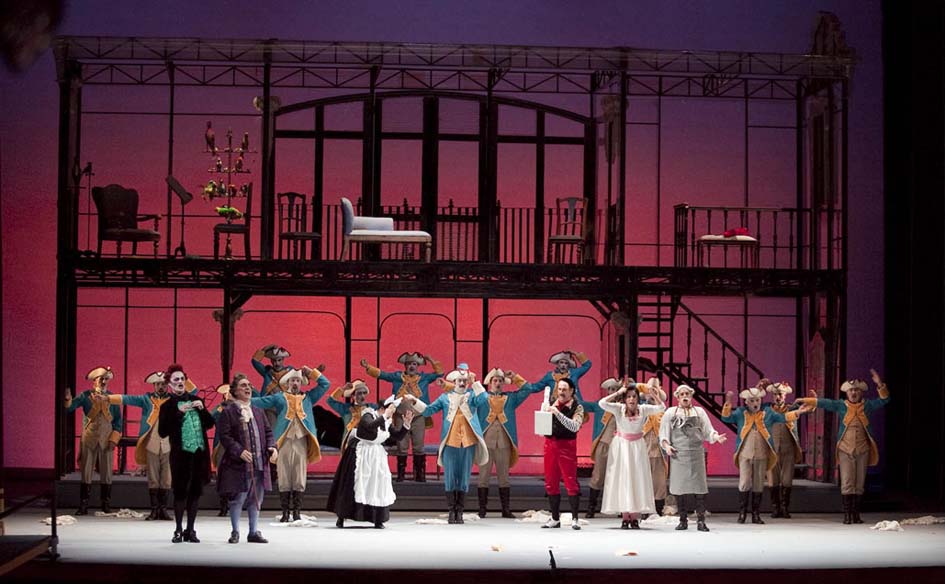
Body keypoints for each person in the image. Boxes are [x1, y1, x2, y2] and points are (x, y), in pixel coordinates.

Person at [796, 369, 891, 524]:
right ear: (846, 393)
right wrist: (807, 400)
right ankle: (847, 515)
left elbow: (884, 400)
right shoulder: (842, 405)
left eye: (856, 390)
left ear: (861, 393)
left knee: (859, 483)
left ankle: (856, 514)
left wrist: (879, 383)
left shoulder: (867, 406)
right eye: (851, 390)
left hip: (863, 449)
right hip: (845, 449)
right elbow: (825, 403)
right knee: (847, 481)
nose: (853, 393)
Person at [405, 368, 489, 524]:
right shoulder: (445, 398)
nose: (462, 383)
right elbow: (428, 410)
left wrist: (475, 383)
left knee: (464, 477)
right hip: (450, 442)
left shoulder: (472, 396)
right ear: (454, 382)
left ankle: (460, 511)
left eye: (465, 381)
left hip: (468, 442)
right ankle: (451, 510)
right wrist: (415, 401)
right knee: (450, 477)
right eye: (460, 381)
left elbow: (484, 398)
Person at [721, 385, 811, 524]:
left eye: (757, 400)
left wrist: (799, 411)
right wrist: (728, 402)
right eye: (752, 400)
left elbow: (783, 417)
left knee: (758, 484)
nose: (755, 403)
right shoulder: (740, 413)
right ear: (746, 402)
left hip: (762, 453)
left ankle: (756, 514)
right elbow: (726, 418)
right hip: (745, 453)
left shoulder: (767, 413)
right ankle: (742, 513)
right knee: (744, 482)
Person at [104, 371, 186, 521]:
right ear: (154, 386)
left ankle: (163, 510)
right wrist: (108, 398)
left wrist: (180, 377)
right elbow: (128, 399)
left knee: (166, 479)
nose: (161, 387)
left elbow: (192, 393)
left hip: (169, 443)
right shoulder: (146, 399)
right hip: (152, 442)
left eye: (163, 384)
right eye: (158, 384)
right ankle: (154, 510)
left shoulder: (174, 399)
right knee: (153, 478)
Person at [251, 366, 330, 522]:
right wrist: (242, 400)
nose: (295, 383)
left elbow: (325, 384)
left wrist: (311, 372)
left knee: (300, 475)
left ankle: (297, 512)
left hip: (301, 441)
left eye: (298, 380)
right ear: (287, 383)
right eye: (292, 380)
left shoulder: (308, 398)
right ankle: (285, 512)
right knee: (284, 475)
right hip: (284, 440)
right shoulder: (280, 397)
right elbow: (261, 402)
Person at [327, 396, 413, 528]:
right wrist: (385, 416)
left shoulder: (387, 421)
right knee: (354, 483)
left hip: (376, 455)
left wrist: (406, 425)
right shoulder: (368, 415)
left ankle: (378, 519)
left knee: (378, 485)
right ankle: (342, 516)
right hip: (360, 452)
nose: (392, 414)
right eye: (391, 410)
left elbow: (397, 436)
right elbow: (369, 426)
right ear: (382, 409)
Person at [360, 352, 443, 482]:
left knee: (418, 446)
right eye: (409, 364)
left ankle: (419, 474)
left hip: (418, 417)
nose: (411, 366)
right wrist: (368, 367)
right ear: (405, 365)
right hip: (400, 416)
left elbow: (439, 374)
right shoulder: (397, 377)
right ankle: (401, 474)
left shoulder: (424, 378)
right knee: (402, 446)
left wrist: (431, 359)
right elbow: (382, 374)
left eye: (414, 364)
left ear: (418, 366)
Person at [216, 373, 277, 544]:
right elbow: (225, 436)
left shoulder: (258, 411)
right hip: (238, 465)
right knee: (238, 498)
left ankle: (253, 531)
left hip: (259, 462)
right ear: (235, 391)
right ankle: (235, 531)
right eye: (243, 385)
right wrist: (239, 451)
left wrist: (272, 447)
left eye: (249, 385)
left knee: (256, 498)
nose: (248, 388)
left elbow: (268, 432)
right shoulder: (228, 412)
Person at [476, 367, 544, 518]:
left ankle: (505, 509)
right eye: (495, 380)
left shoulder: (511, 399)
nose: (498, 383)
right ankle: (482, 509)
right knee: (483, 477)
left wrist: (515, 377)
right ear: (490, 383)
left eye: (500, 380)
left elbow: (527, 389)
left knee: (504, 477)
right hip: (486, 442)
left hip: (504, 442)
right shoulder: (482, 398)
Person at [658, 384, 728, 532]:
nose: (685, 396)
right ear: (677, 397)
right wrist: (667, 446)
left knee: (700, 489)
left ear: (691, 396)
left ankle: (701, 521)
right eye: (682, 394)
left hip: (696, 454)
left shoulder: (699, 412)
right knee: (680, 489)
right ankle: (682, 520)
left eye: (687, 394)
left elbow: (708, 430)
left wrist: (716, 437)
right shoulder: (670, 413)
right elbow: (663, 433)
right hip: (678, 454)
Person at [158, 364, 214, 543]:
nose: (180, 382)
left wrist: (202, 409)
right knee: (181, 493)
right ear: (170, 384)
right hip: (181, 457)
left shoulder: (196, 400)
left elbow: (210, 423)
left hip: (198, 455)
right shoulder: (167, 406)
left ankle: (191, 529)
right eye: (176, 379)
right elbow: (162, 432)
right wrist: (178, 413)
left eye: (182, 379)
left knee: (195, 493)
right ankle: (178, 529)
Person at [598, 380, 666, 529]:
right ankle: (625, 516)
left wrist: (654, 395)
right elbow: (602, 403)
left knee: (636, 479)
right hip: (622, 447)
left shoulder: (643, 409)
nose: (631, 399)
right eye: (628, 396)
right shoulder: (619, 409)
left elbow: (662, 407)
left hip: (637, 448)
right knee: (623, 479)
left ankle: (634, 517)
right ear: (625, 398)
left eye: (634, 396)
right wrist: (618, 392)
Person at [64, 366, 122, 515]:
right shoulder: (85, 396)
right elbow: (69, 408)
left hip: (107, 438)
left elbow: (118, 421)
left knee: (107, 473)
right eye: (100, 379)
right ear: (94, 381)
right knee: (86, 472)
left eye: (106, 379)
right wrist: (68, 399)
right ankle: (83, 505)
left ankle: (105, 504)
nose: (103, 382)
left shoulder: (112, 398)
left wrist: (114, 439)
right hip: (89, 438)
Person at [541, 378, 585, 530]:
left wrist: (557, 413)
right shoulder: (551, 404)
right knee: (550, 482)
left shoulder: (577, 407)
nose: (561, 392)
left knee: (570, 481)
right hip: (550, 445)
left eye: (564, 389)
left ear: (571, 391)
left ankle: (575, 518)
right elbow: (542, 428)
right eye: (559, 389)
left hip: (567, 446)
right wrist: (543, 415)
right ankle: (555, 518)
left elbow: (574, 426)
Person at [765, 380, 803, 518]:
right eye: (775, 394)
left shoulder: (791, 409)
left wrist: (811, 399)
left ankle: (785, 507)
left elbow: (808, 408)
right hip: (772, 448)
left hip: (788, 448)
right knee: (772, 479)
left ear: (785, 395)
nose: (778, 397)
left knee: (787, 479)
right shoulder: (767, 410)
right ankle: (775, 508)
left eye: (780, 394)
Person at [584, 378, 622, 518]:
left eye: (615, 389)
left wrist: (630, 385)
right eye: (610, 389)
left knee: (620, 476)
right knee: (598, 475)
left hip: (620, 445)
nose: (612, 392)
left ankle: (621, 508)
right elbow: (582, 404)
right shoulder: (600, 405)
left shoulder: (624, 406)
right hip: (604, 444)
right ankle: (591, 507)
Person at [640, 378, 669, 517]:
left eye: (654, 391)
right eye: (649, 390)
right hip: (643, 450)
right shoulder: (641, 408)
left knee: (659, 482)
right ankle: (645, 509)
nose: (651, 393)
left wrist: (656, 398)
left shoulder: (664, 411)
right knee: (643, 482)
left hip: (658, 451)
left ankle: (658, 509)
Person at [327, 379, 379, 448]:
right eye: (359, 393)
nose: (363, 396)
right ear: (353, 396)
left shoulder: (373, 407)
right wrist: (343, 389)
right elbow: (330, 401)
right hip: (350, 445)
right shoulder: (346, 409)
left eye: (364, 393)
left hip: (368, 445)